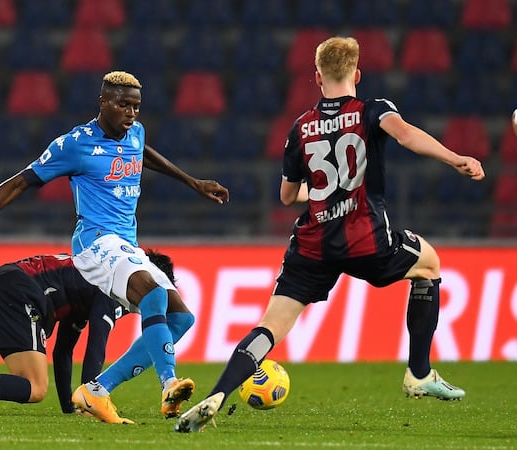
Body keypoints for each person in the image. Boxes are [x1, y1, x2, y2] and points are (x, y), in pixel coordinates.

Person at [175, 36, 485, 433]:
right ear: (356, 74)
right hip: (366, 239)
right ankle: (419, 373)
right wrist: (455, 158)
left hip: (313, 244)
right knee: (429, 265)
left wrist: (320, 192)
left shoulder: (300, 127)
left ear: (316, 77)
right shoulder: (373, 111)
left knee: (270, 326)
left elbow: (288, 195)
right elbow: (406, 135)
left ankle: (217, 393)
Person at [0, 71, 229, 423]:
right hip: (94, 243)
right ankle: (168, 382)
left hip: (125, 243)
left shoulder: (135, 134)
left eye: (136, 107)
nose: (131, 113)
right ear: (103, 102)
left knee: (182, 317)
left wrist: (192, 182)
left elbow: (143, 154)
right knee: (152, 293)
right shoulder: (75, 144)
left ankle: (97, 389)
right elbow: (19, 182)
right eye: (123, 105)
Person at [0, 250, 178, 420]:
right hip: (15, 290)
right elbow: (96, 346)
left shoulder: (95, 273)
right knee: (35, 387)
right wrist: (92, 401)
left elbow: (64, 350)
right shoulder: (117, 281)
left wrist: (70, 406)